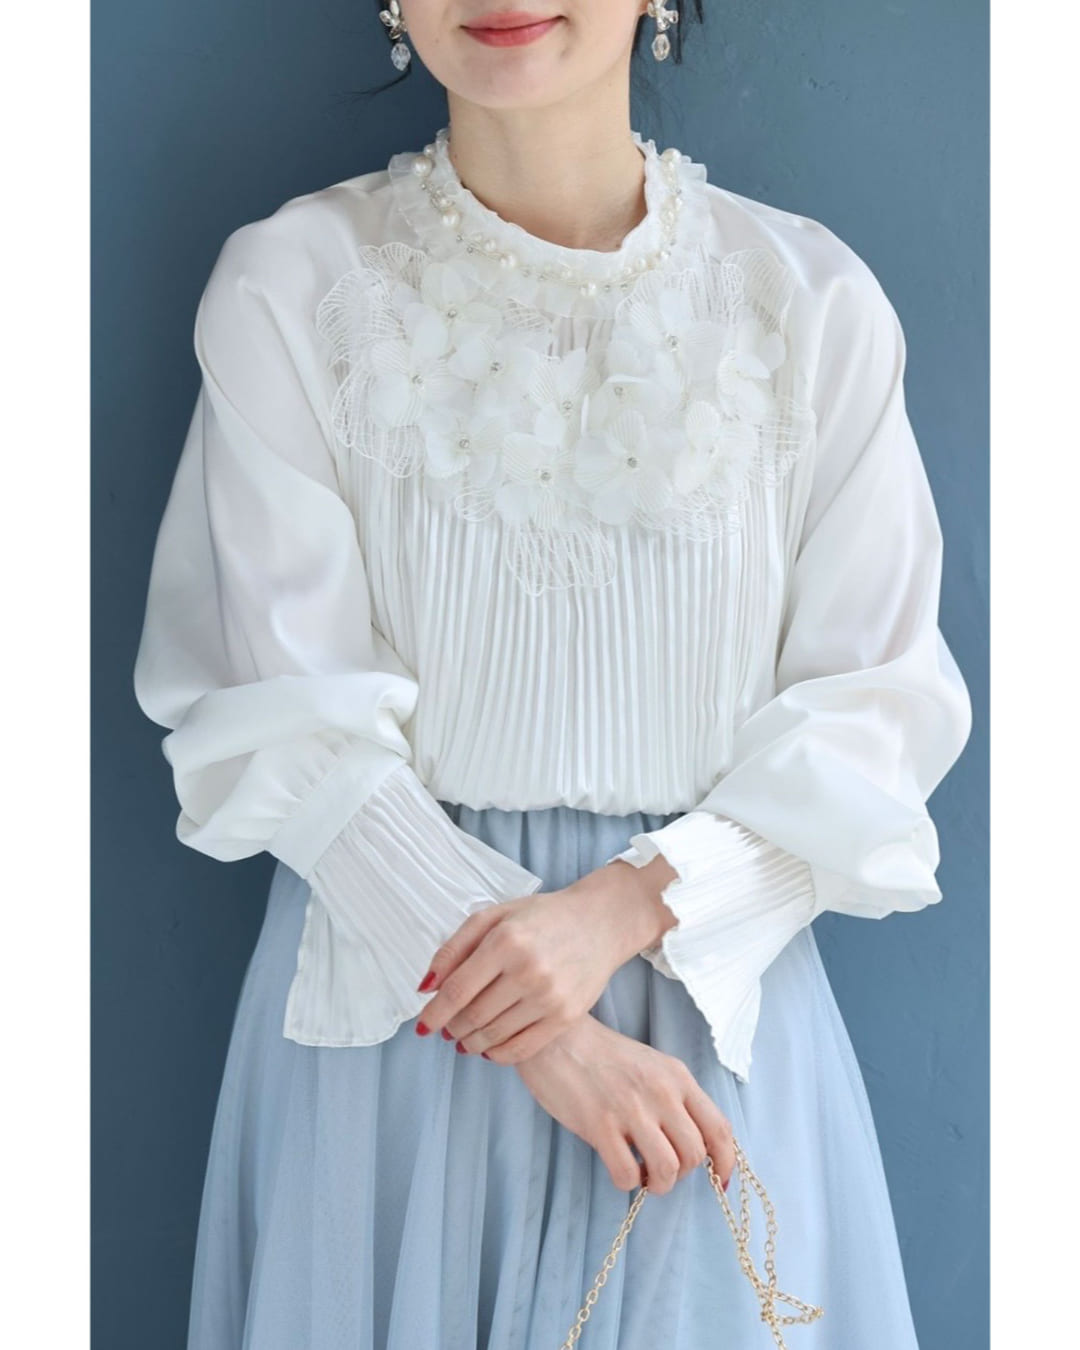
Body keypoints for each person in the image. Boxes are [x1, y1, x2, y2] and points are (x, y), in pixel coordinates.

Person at [132, 3, 974, 1347]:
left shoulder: (809, 303)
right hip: (397, 1030)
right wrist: (545, 1031)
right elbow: (278, 716)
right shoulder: (288, 288)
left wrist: (622, 910)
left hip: (705, 1019)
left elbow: (877, 714)